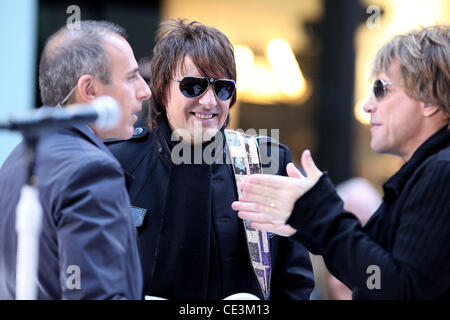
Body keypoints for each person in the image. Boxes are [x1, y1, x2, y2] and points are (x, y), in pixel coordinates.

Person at [232, 25, 450, 299]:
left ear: (429, 100)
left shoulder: (442, 171)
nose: (368, 105)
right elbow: (373, 278)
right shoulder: (426, 171)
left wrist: (321, 214)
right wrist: (310, 222)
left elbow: (397, 289)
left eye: (381, 89)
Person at [106, 18, 314, 300]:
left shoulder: (266, 162)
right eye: (193, 86)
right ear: (162, 91)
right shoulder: (118, 162)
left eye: (222, 88)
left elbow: (295, 285)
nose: (209, 101)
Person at [0, 20, 151, 299]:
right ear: (90, 89)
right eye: (131, 78)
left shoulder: (17, 158)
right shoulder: (92, 170)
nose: (145, 91)